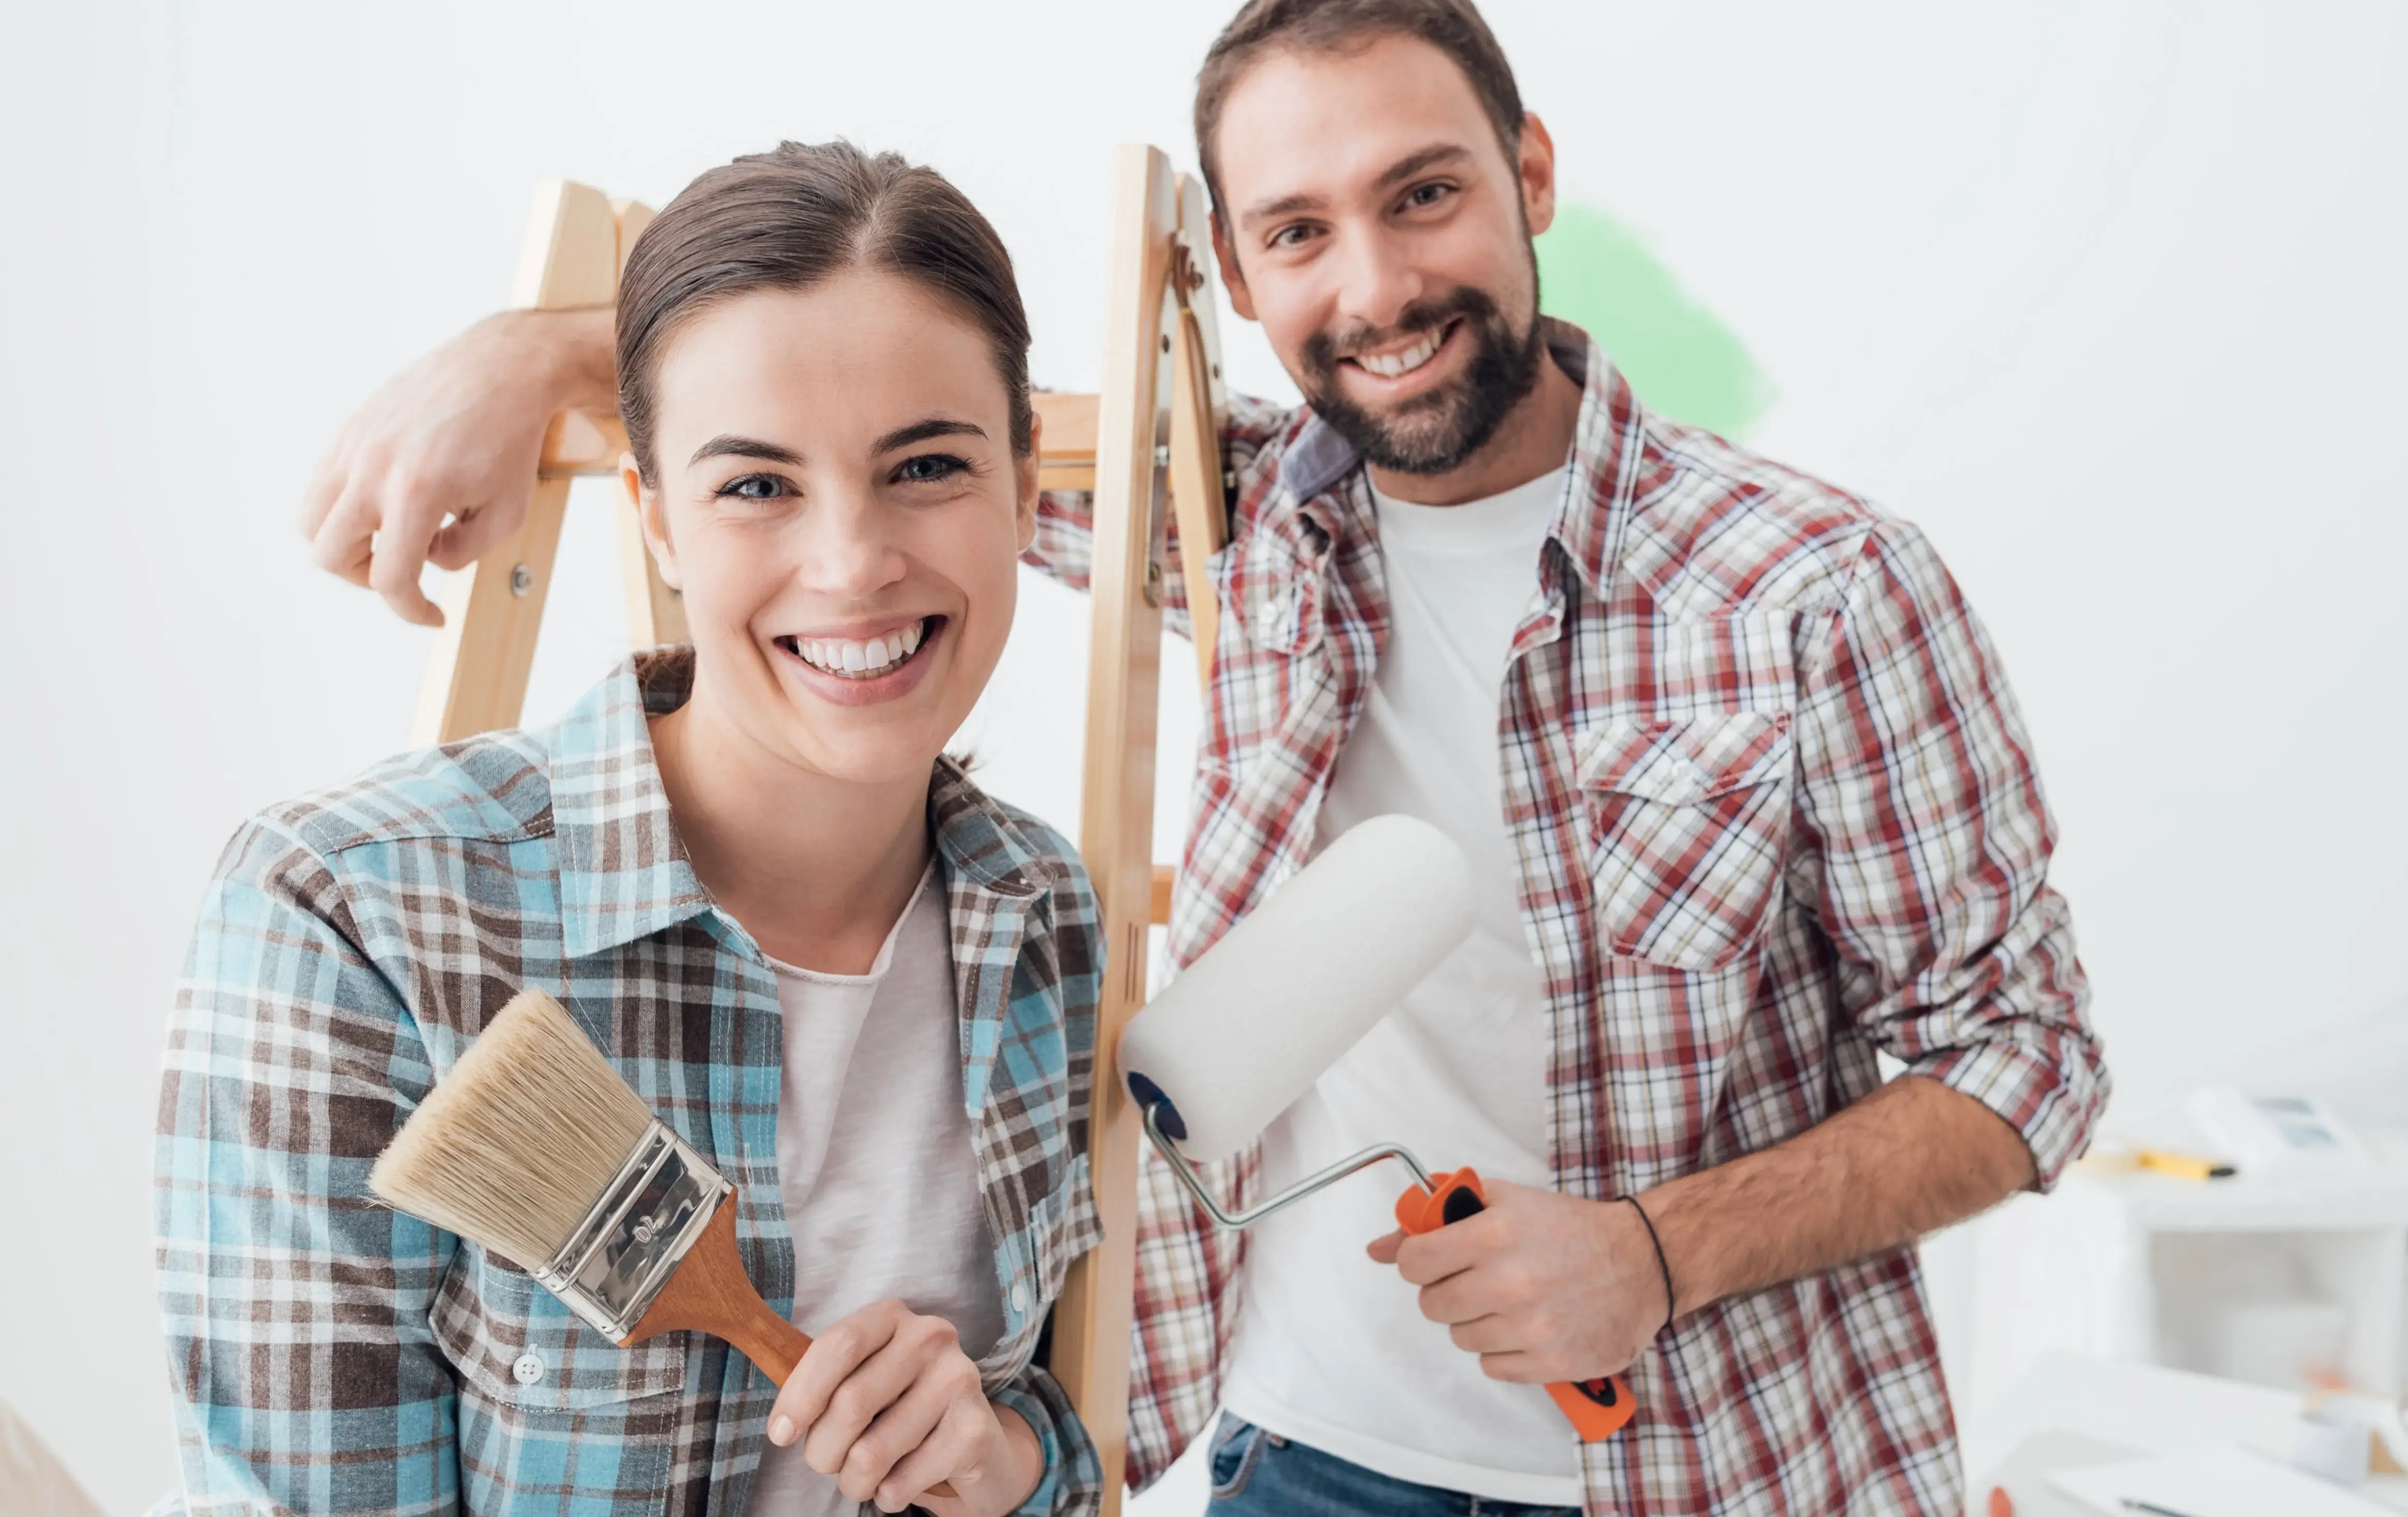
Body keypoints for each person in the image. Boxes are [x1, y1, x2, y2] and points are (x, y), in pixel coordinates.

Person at [295, 3, 2113, 1512]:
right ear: (1235, 272)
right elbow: (889, 447)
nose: (1382, 285)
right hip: (1300, 1455)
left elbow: (2028, 1058)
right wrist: (543, 356)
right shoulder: (1237, 516)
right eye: (1302, 232)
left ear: (1530, 175)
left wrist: (1652, 1254)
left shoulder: (1814, 587)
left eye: (1426, 196)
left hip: (1723, 1464)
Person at [162, 141, 1108, 1517]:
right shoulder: (350, 917)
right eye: (756, 486)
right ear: (657, 519)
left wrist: (1009, 1463)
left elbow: (1062, 1443)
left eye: (923, 466)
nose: (852, 562)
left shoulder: (1040, 915)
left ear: (1029, 494)